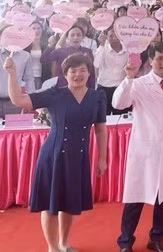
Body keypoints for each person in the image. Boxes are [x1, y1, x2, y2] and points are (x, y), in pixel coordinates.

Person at [4, 53, 107, 252]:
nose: (78, 74)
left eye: (82, 70)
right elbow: (18, 100)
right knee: (50, 204)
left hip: (78, 157)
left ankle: (64, 242)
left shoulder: (97, 97)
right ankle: (52, 247)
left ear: (89, 73)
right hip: (52, 155)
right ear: (65, 74)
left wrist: (102, 159)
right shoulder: (54, 94)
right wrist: (12, 74)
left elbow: (101, 129)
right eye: (73, 71)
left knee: (70, 203)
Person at [112, 42, 163, 252]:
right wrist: (128, 78)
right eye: (160, 58)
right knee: (135, 197)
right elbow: (118, 103)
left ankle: (156, 238)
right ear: (150, 60)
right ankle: (126, 241)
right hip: (145, 149)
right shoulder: (138, 84)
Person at [42, 24, 96, 89]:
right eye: (72, 35)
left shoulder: (87, 52)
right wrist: (50, 45)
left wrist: (92, 91)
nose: (75, 37)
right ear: (67, 37)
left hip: (82, 88)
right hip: (63, 88)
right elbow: (44, 59)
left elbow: (91, 73)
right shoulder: (60, 51)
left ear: (83, 37)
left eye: (78, 35)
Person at [0, 26, 36, 118]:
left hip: (14, 102)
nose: (12, 38)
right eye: (8, 36)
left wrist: (32, 101)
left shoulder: (25, 56)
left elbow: (29, 79)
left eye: (15, 36)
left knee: (13, 131)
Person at [95, 27, 130, 115]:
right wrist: (101, 46)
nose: (114, 38)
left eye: (117, 35)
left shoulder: (128, 49)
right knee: (103, 117)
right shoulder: (102, 48)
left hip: (122, 87)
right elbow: (96, 64)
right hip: (104, 87)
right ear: (106, 36)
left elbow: (136, 64)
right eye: (111, 36)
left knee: (122, 116)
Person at [27, 20, 46, 90]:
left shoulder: (46, 46)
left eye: (38, 28)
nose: (36, 30)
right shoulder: (25, 47)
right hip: (28, 77)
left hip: (41, 77)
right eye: (33, 28)